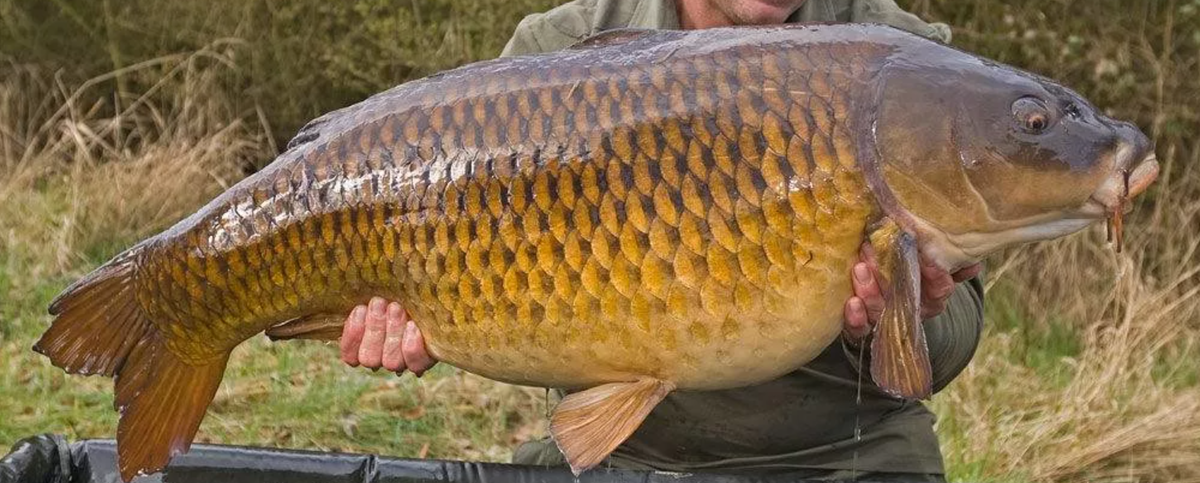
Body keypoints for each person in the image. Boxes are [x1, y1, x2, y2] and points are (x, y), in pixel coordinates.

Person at [339, 1, 984, 481]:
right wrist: (424, 317)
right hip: (626, 450)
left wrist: (903, 315)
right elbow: (475, 262)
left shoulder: (900, 63)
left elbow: (952, 342)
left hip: (842, 456)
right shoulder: (558, 48)